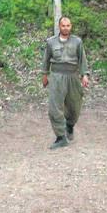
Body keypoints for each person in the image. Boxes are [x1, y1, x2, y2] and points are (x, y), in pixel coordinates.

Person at [42, 17, 89, 149]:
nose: (66, 28)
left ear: (71, 26)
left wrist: (84, 75)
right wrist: (44, 74)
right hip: (57, 76)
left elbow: (82, 59)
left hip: (73, 76)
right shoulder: (51, 42)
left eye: (68, 25)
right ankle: (61, 137)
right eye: (63, 25)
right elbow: (46, 59)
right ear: (59, 26)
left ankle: (69, 126)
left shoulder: (77, 42)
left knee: (74, 105)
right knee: (54, 107)